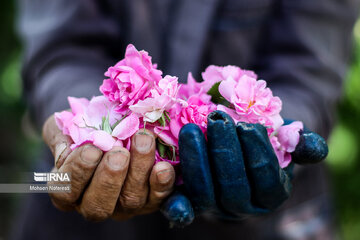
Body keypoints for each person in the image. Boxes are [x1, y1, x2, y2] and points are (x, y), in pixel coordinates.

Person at [12, 0, 358, 239]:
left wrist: (277, 137)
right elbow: (62, 50)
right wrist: (78, 125)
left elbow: (308, 69)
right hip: (78, 212)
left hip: (276, 225)